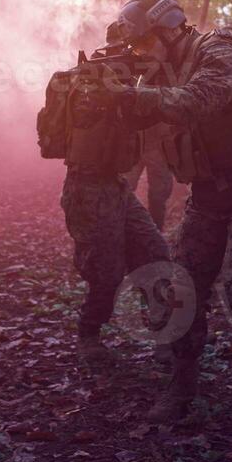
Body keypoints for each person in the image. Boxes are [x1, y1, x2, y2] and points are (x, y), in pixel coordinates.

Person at [108, 0, 232, 433]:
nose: (141, 53)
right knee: (181, 291)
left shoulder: (220, 53)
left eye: (143, 44)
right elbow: (143, 114)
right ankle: (182, 386)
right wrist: (105, 96)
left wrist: (131, 97)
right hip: (208, 195)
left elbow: (192, 101)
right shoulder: (166, 67)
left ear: (167, 30)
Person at [44, 26, 171, 370]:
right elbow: (90, 124)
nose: (131, 56)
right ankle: (89, 333)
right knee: (107, 271)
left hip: (115, 187)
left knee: (156, 254)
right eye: (122, 50)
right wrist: (112, 87)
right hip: (87, 189)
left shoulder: (129, 81)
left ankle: (165, 337)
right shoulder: (89, 86)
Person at [125, 124, 174, 230]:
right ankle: (126, 229)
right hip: (133, 144)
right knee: (123, 190)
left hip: (158, 146)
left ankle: (155, 232)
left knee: (158, 197)